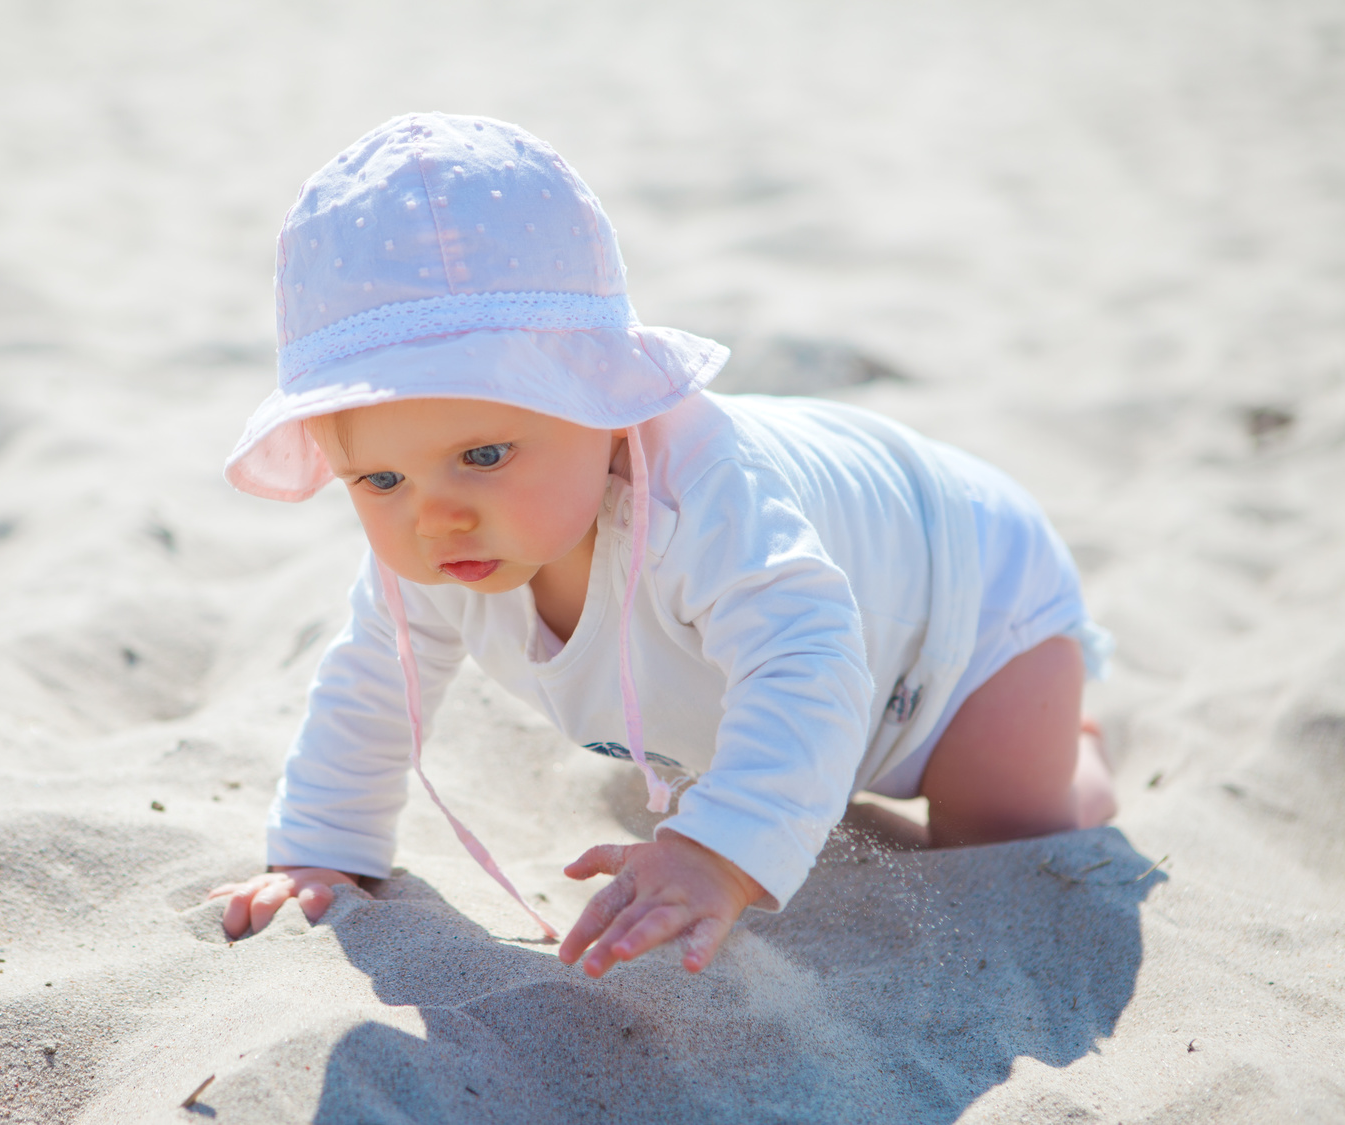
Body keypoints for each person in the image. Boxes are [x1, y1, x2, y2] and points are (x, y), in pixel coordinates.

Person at [211, 113, 1116, 979]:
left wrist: (717, 856)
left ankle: (1076, 740)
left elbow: (807, 654)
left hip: (969, 607)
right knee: (786, 754)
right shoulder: (440, 546)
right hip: (844, 655)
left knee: (1002, 833)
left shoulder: (703, 501)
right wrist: (322, 853)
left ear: (607, 409)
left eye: (483, 455)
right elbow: (372, 684)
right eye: (379, 481)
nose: (434, 517)